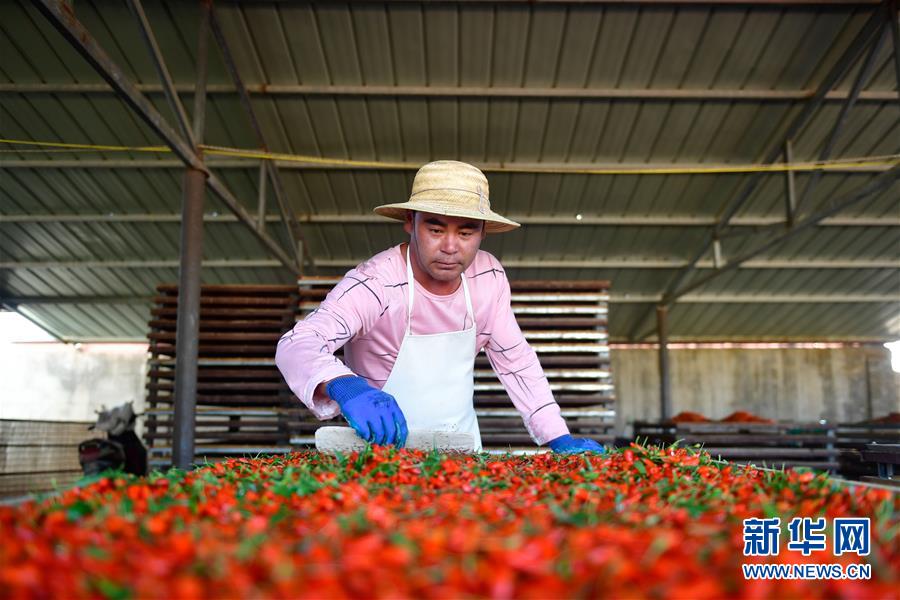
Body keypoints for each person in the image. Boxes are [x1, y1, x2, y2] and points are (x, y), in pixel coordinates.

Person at [275, 160, 604, 455]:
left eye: (465, 232)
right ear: (410, 222)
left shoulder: (488, 278)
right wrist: (346, 386)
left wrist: (555, 433)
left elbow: (515, 360)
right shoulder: (376, 283)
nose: (450, 247)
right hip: (380, 456)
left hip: (461, 452)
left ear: (482, 232)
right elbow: (298, 343)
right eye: (434, 229)